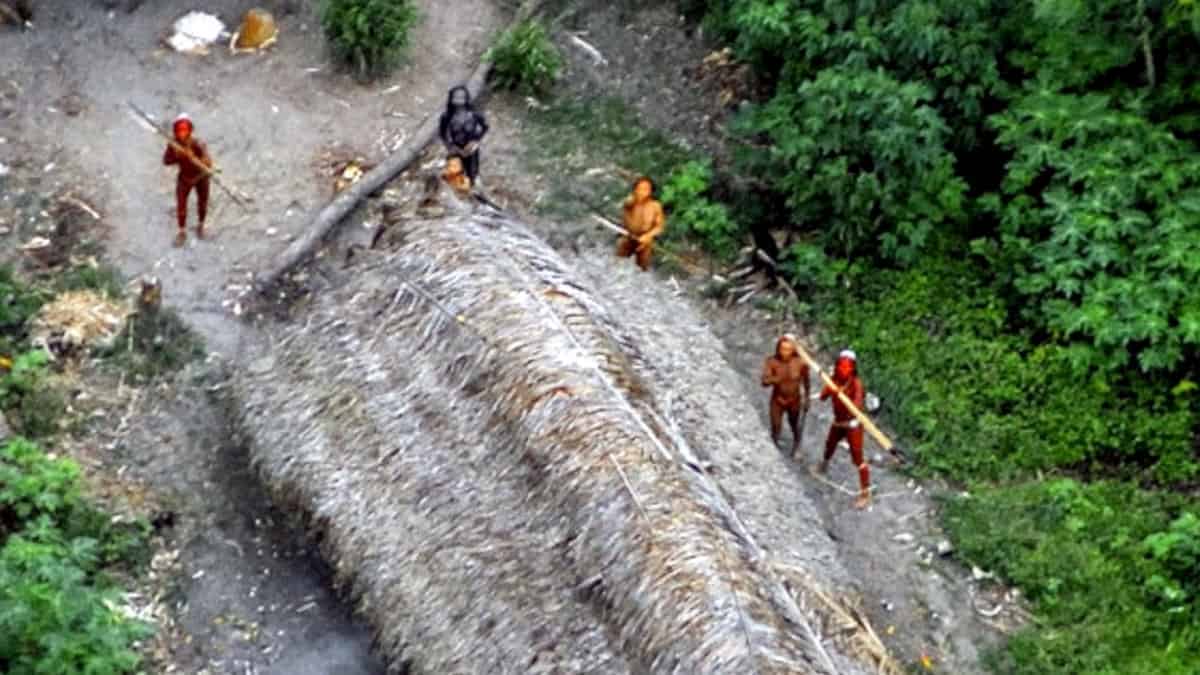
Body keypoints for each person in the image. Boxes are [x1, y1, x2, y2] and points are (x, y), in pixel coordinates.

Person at [815, 349, 871, 509]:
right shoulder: (834, 379)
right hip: (838, 422)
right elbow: (823, 397)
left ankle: (865, 493)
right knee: (830, 444)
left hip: (852, 425)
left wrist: (841, 394)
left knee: (857, 458)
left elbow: (857, 406)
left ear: (853, 368)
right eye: (841, 366)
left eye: (848, 367)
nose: (844, 370)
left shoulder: (856, 383)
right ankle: (824, 464)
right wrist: (830, 389)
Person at [162, 113, 213, 246]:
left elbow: (208, 162)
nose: (182, 133)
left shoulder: (197, 143)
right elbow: (166, 161)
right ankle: (182, 231)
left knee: (202, 203)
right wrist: (178, 156)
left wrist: (193, 157)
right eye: (180, 130)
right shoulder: (173, 145)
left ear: (190, 130)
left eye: (185, 129)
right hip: (184, 178)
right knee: (181, 206)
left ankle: (201, 226)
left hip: (201, 177)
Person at [761, 333, 810, 458]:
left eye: (788, 349)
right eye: (782, 349)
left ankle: (796, 445)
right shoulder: (772, 362)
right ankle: (773, 447)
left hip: (794, 400)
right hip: (777, 400)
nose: (785, 352)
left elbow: (806, 381)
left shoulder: (800, 363)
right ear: (778, 349)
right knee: (776, 425)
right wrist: (776, 379)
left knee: (794, 424)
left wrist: (807, 398)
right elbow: (764, 381)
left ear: (793, 350)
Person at [438, 86, 489, 186]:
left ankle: (474, 186)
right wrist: (450, 147)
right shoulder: (447, 116)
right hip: (456, 148)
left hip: (471, 148)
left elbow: (485, 127)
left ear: (466, 98)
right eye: (455, 97)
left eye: (461, 97)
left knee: (473, 171)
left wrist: (476, 141)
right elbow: (442, 133)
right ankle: (459, 188)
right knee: (456, 171)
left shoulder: (475, 114)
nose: (458, 101)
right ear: (451, 99)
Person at [616, 177, 665, 271]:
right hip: (628, 235)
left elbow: (660, 226)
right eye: (639, 189)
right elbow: (625, 212)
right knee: (619, 259)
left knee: (642, 265)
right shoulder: (631, 202)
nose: (642, 192)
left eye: (646, 189)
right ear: (635, 190)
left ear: (651, 191)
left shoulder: (655, 206)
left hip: (645, 240)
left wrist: (648, 235)